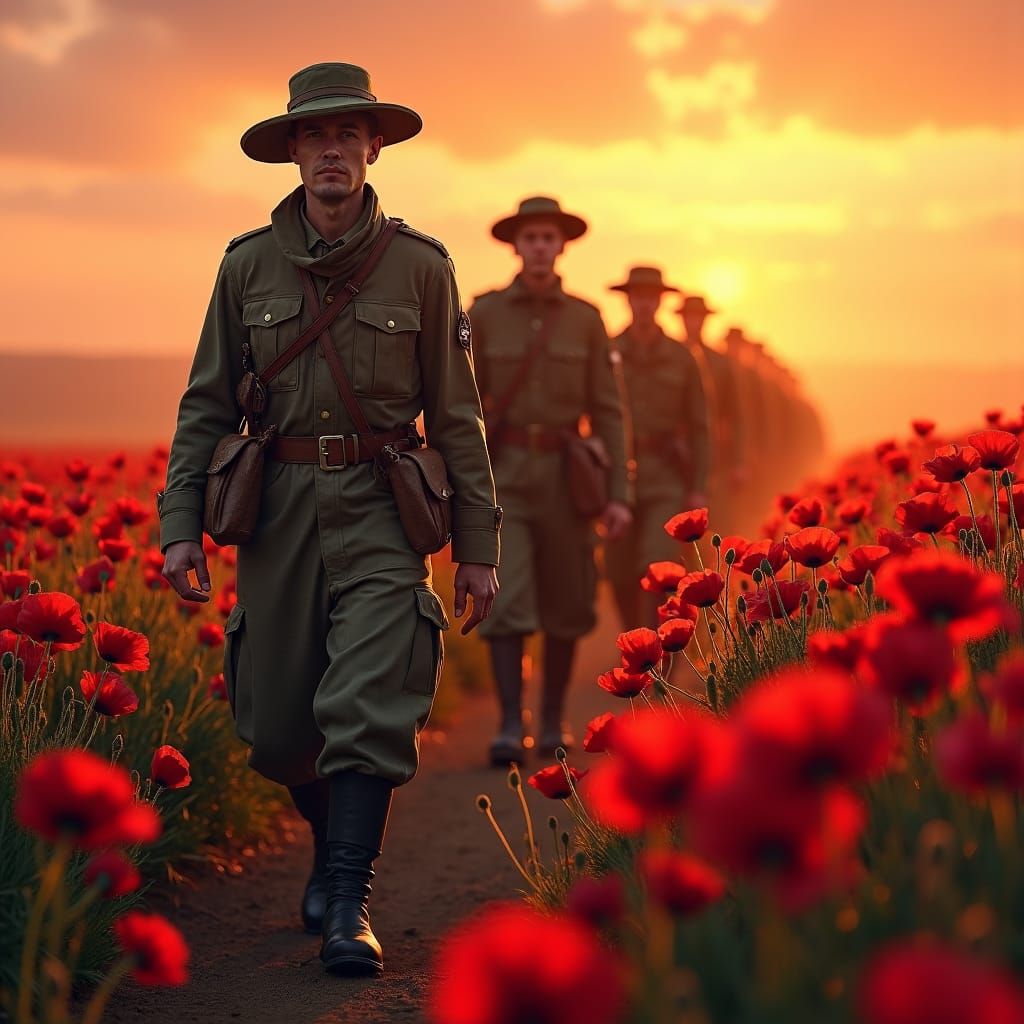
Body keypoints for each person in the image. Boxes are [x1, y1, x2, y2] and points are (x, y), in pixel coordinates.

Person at [158, 62, 501, 978]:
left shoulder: (422, 268)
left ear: (373, 147)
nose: (333, 150)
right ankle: (324, 848)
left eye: (349, 134)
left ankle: (350, 901)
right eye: (315, 135)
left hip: (385, 513)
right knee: (277, 730)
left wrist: (478, 547)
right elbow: (204, 407)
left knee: (365, 707)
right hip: (277, 515)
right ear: (293, 152)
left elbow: (457, 416)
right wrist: (180, 523)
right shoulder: (245, 267)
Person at [469, 197, 631, 765]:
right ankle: (513, 723)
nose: (539, 246)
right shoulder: (485, 313)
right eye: (530, 237)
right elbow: (462, 402)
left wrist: (618, 495)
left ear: (562, 246)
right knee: (506, 598)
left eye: (548, 237)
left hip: (569, 479)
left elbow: (608, 411)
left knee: (567, 601)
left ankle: (556, 718)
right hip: (505, 476)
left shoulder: (586, 318)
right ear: (516, 245)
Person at [604, 266, 709, 628]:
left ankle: (660, 644)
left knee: (658, 564)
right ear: (629, 300)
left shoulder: (682, 358)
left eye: (651, 296)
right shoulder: (609, 350)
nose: (645, 303)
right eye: (638, 296)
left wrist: (697, 487)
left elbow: (699, 427)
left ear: (660, 301)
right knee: (618, 570)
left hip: (666, 475)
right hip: (617, 478)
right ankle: (633, 637)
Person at [677, 294, 745, 534]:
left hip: (713, 447)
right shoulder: (674, 355)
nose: (693, 322)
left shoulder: (720, 363)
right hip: (675, 451)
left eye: (698, 317)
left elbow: (734, 416)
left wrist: (737, 461)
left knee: (713, 517)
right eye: (688, 317)